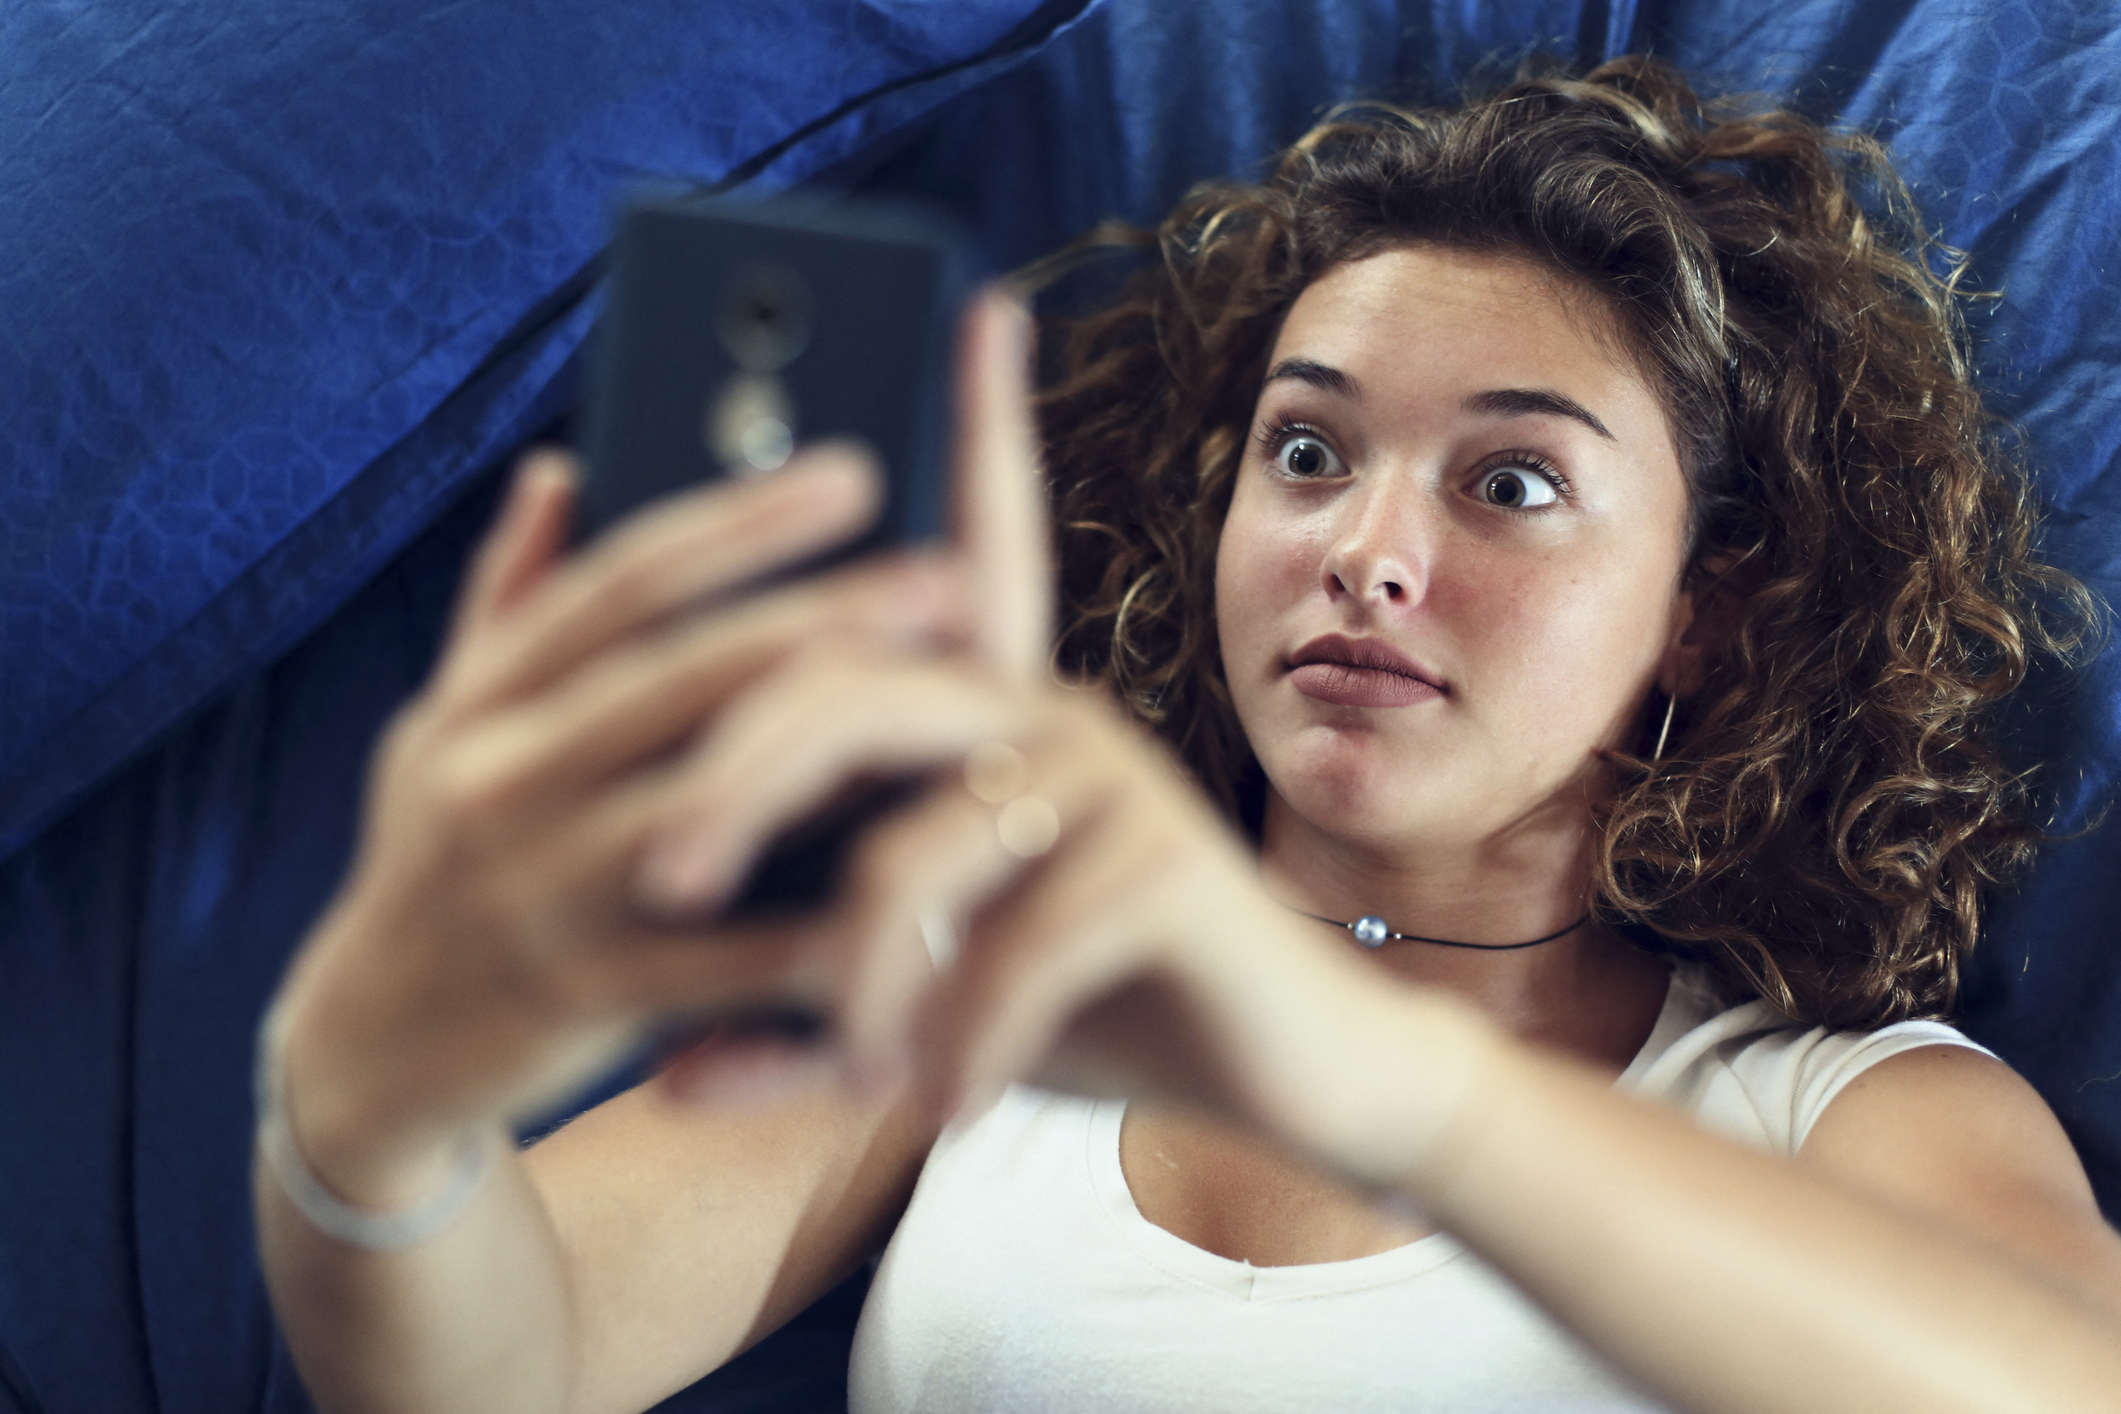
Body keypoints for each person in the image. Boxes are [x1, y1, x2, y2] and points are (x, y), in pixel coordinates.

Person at [255, 57, 2121, 1413]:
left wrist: (1377, 1083)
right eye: (1307, 451)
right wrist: (367, 1106)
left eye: (1512, 481)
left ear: (1698, 617)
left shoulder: (1842, 1107)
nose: (1364, 553)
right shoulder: (976, 985)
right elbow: (502, 1361)